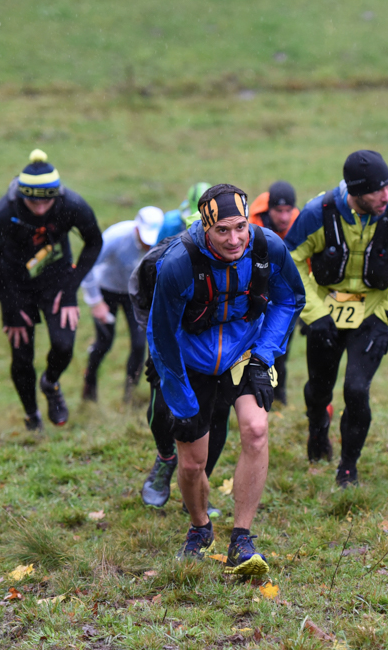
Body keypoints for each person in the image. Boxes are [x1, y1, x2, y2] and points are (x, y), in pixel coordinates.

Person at [148, 184, 304, 574]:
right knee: (191, 464)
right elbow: (161, 334)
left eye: (240, 227)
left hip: (245, 354)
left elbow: (290, 299)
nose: (234, 239)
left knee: (255, 430)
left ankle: (242, 537)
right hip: (192, 363)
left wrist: (264, 355)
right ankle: (200, 528)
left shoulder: (268, 248)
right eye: (222, 231)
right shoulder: (179, 265)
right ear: (206, 228)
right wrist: (180, 400)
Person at [285, 150, 388, 487]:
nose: (387, 196)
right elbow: (290, 262)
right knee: (320, 389)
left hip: (372, 313)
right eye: (378, 190)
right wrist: (315, 314)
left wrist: (386, 313)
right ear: (355, 192)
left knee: (357, 390)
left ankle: (348, 466)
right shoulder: (317, 214)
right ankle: (317, 425)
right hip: (324, 315)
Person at [0, 149, 103, 430]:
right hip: (15, 285)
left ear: (57, 196)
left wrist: (72, 288)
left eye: (45, 203)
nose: (39, 209)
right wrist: (9, 306)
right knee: (21, 353)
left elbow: (94, 242)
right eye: (32, 202)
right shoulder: (3, 212)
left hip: (57, 279)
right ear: (22, 195)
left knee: (63, 344)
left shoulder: (72, 204)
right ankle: (31, 416)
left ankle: (50, 383)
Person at [129, 231, 231, 518]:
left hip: (217, 341)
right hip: (169, 334)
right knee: (162, 406)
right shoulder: (157, 264)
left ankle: (197, 488)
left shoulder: (239, 258)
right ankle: (165, 458)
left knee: (218, 411)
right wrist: (156, 349)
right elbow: (145, 307)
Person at [81, 206, 165, 404]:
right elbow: (88, 265)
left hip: (134, 294)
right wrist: (96, 302)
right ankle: (89, 386)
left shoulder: (162, 240)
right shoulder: (116, 236)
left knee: (138, 344)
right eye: (145, 240)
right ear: (137, 228)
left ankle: (130, 395)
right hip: (106, 290)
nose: (147, 245)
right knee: (104, 342)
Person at [248, 180, 301, 404]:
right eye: (279, 211)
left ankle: (280, 396)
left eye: (288, 210)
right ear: (269, 210)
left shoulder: (299, 224)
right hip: (255, 293)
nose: (284, 217)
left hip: (285, 295)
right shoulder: (251, 225)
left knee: (283, 347)